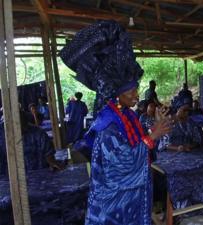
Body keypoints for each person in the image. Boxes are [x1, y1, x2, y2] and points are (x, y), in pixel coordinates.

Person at [60, 20, 170, 225]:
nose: (137, 95)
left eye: (137, 89)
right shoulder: (107, 125)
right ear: (117, 95)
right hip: (114, 206)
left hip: (130, 202)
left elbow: (137, 142)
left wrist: (153, 129)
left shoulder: (127, 115)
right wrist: (153, 135)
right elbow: (119, 165)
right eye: (132, 91)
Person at [0, 111, 63, 176]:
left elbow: (49, 156)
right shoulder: (1, 136)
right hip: (8, 180)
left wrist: (52, 163)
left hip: (39, 178)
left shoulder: (38, 133)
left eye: (21, 123)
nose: (17, 126)